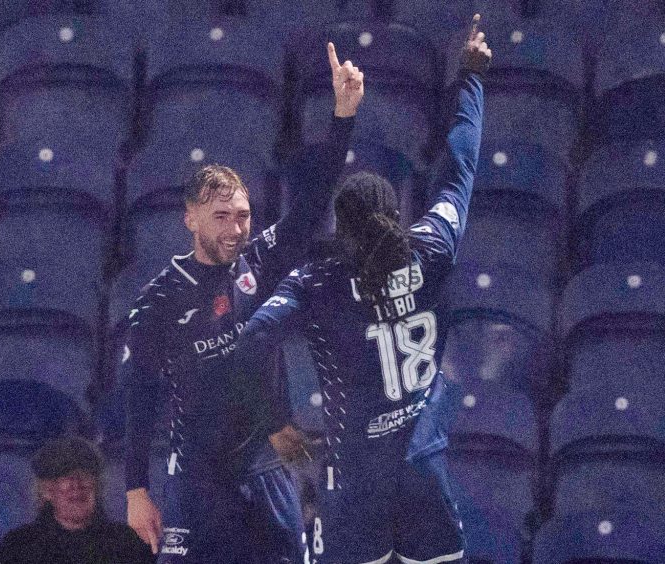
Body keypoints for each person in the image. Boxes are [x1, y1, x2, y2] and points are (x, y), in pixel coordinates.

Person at [234, 15, 491, 564]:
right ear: (395, 213)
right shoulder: (432, 245)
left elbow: (249, 342)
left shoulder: (318, 282)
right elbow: (460, 164)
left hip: (356, 481)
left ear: (340, 226)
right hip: (424, 466)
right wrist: (470, 77)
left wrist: (274, 417)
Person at [121, 43, 364, 563]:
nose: (236, 228)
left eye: (243, 214)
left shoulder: (259, 263)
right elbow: (139, 397)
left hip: (264, 460)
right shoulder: (158, 301)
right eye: (222, 217)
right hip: (196, 472)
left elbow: (308, 208)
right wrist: (135, 490)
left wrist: (342, 118)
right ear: (190, 219)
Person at [0, 436, 154, 564]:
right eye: (64, 476)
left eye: (84, 475)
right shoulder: (18, 548)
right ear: (46, 490)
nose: (76, 485)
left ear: (97, 485)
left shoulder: (127, 544)